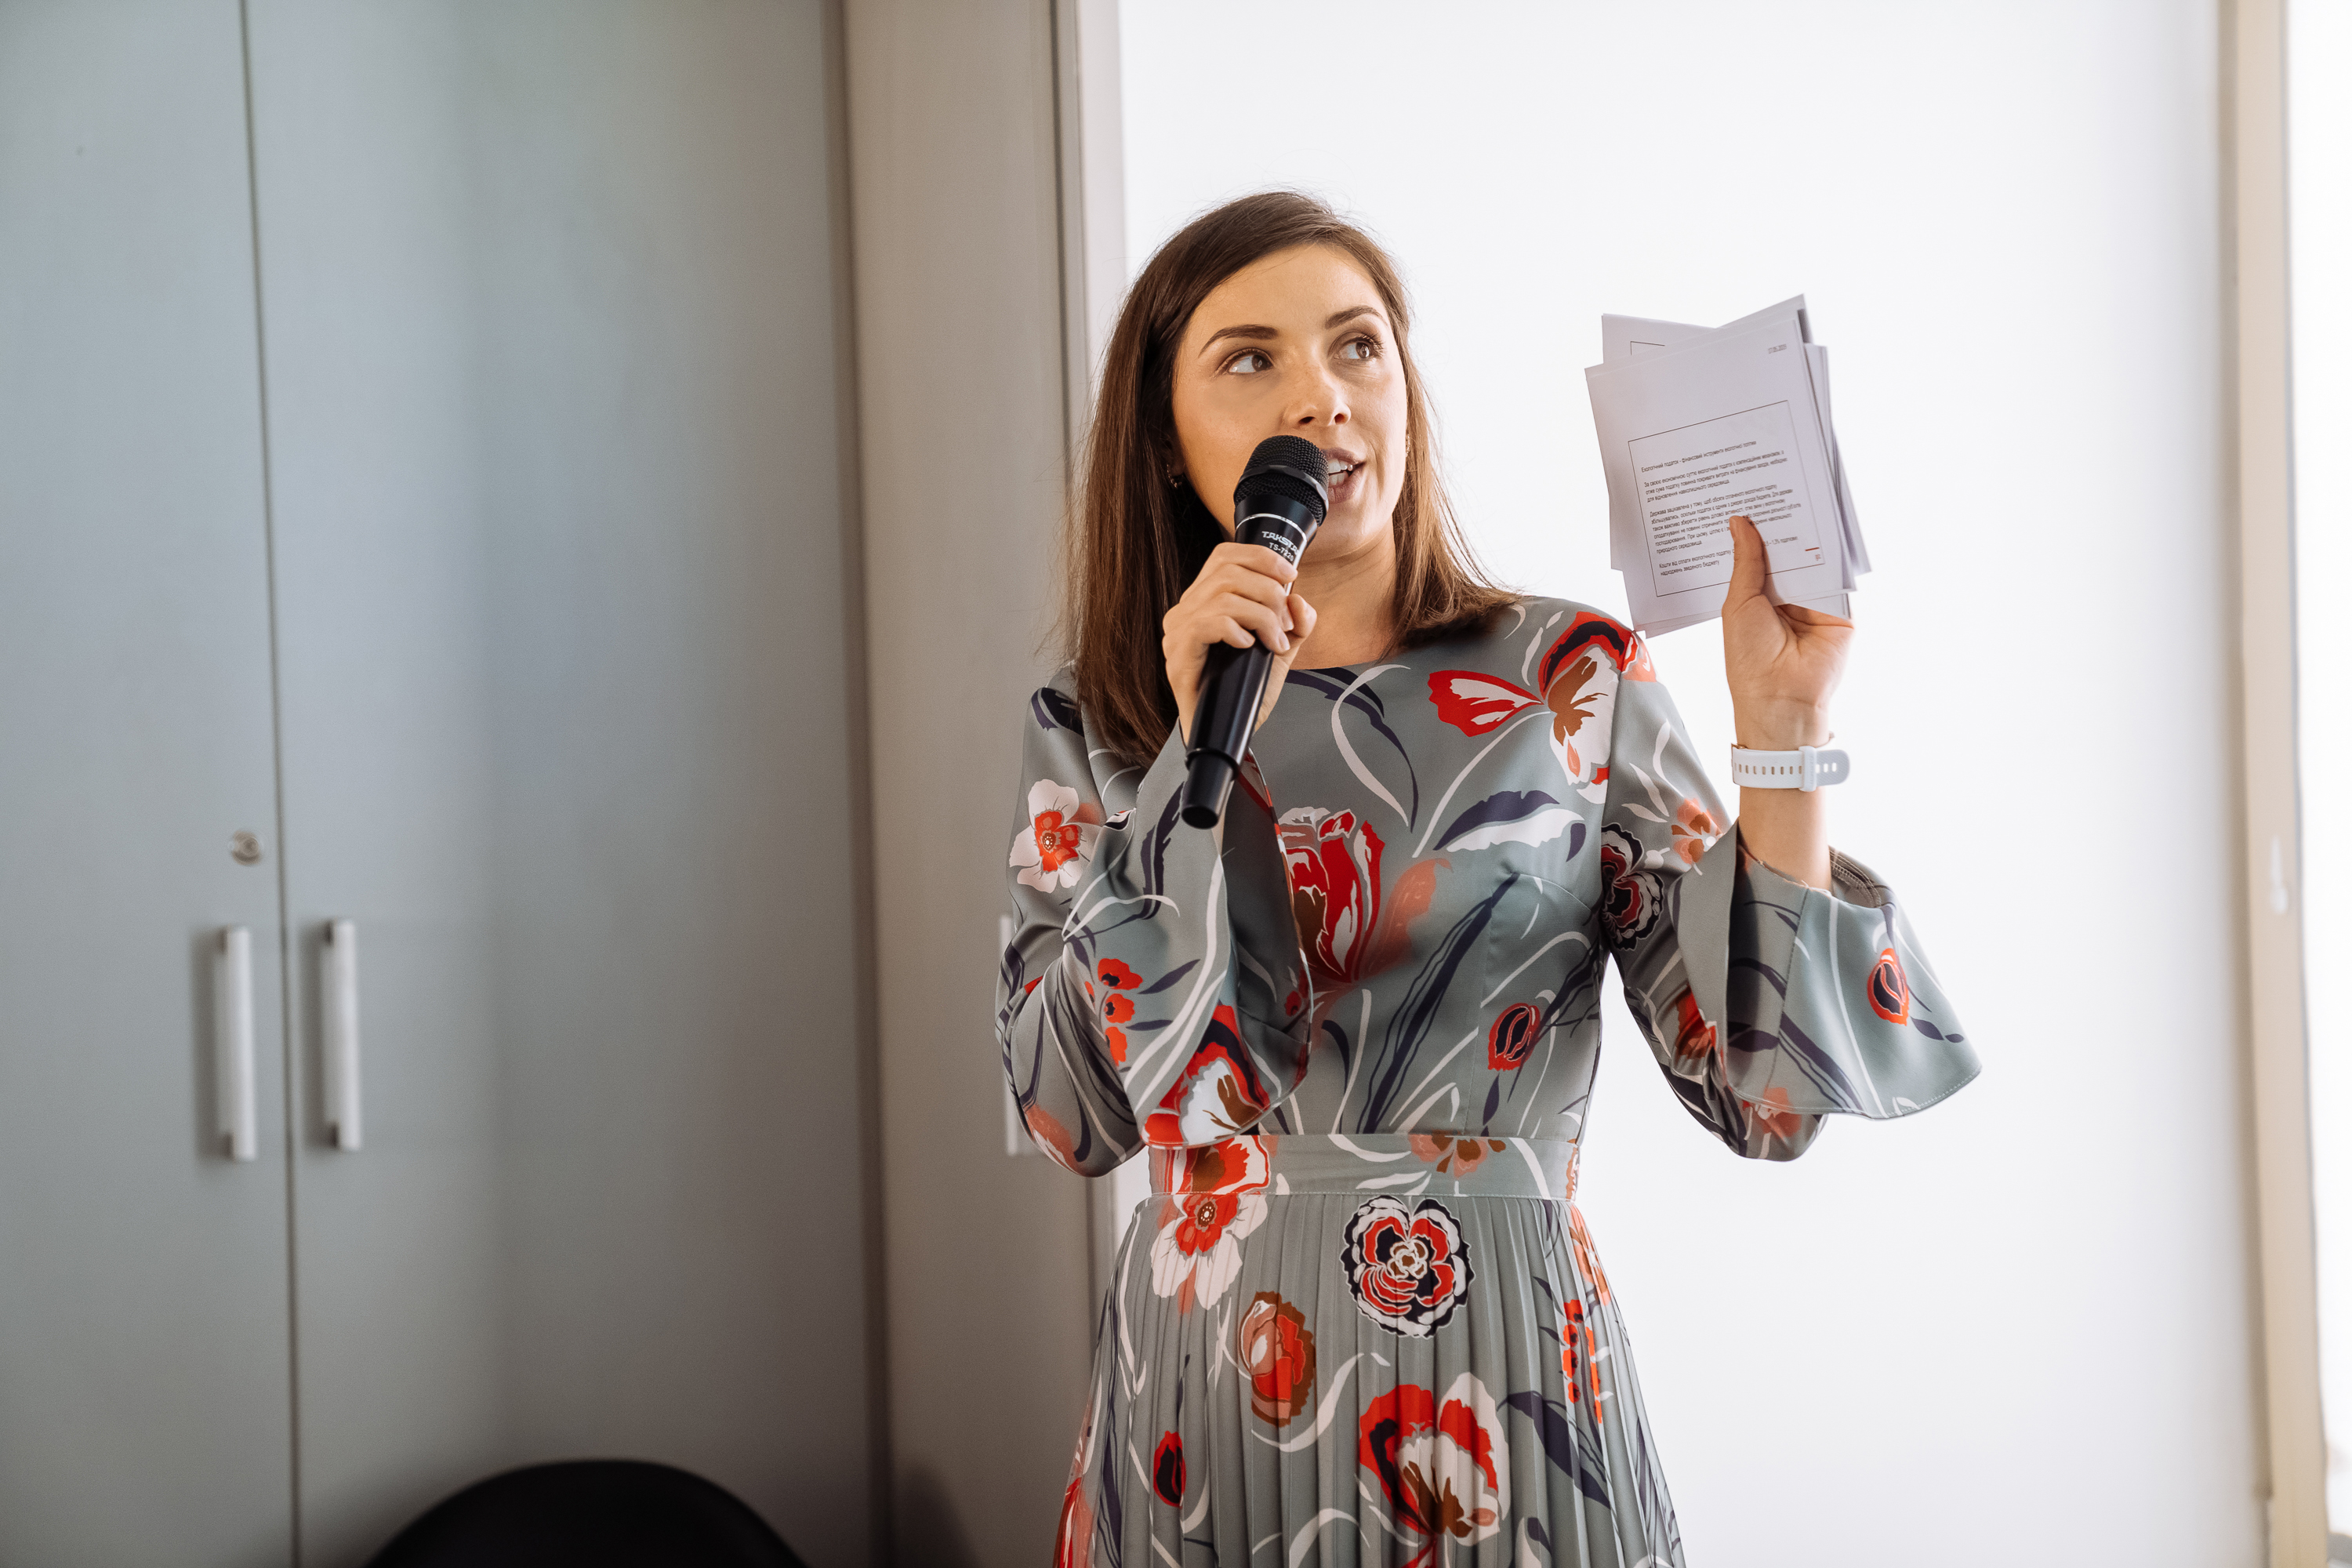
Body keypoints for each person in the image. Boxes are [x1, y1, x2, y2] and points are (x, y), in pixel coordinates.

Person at [997, 191, 1976, 1567]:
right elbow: (1069, 1116)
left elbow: (1769, 1100)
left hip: (1509, 1382)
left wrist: (1783, 730)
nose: (1322, 397)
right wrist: (1182, 764)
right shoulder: (1096, 719)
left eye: (1357, 346)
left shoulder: (1566, 677)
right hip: (1202, 1407)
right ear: (1166, 439)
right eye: (1251, 359)